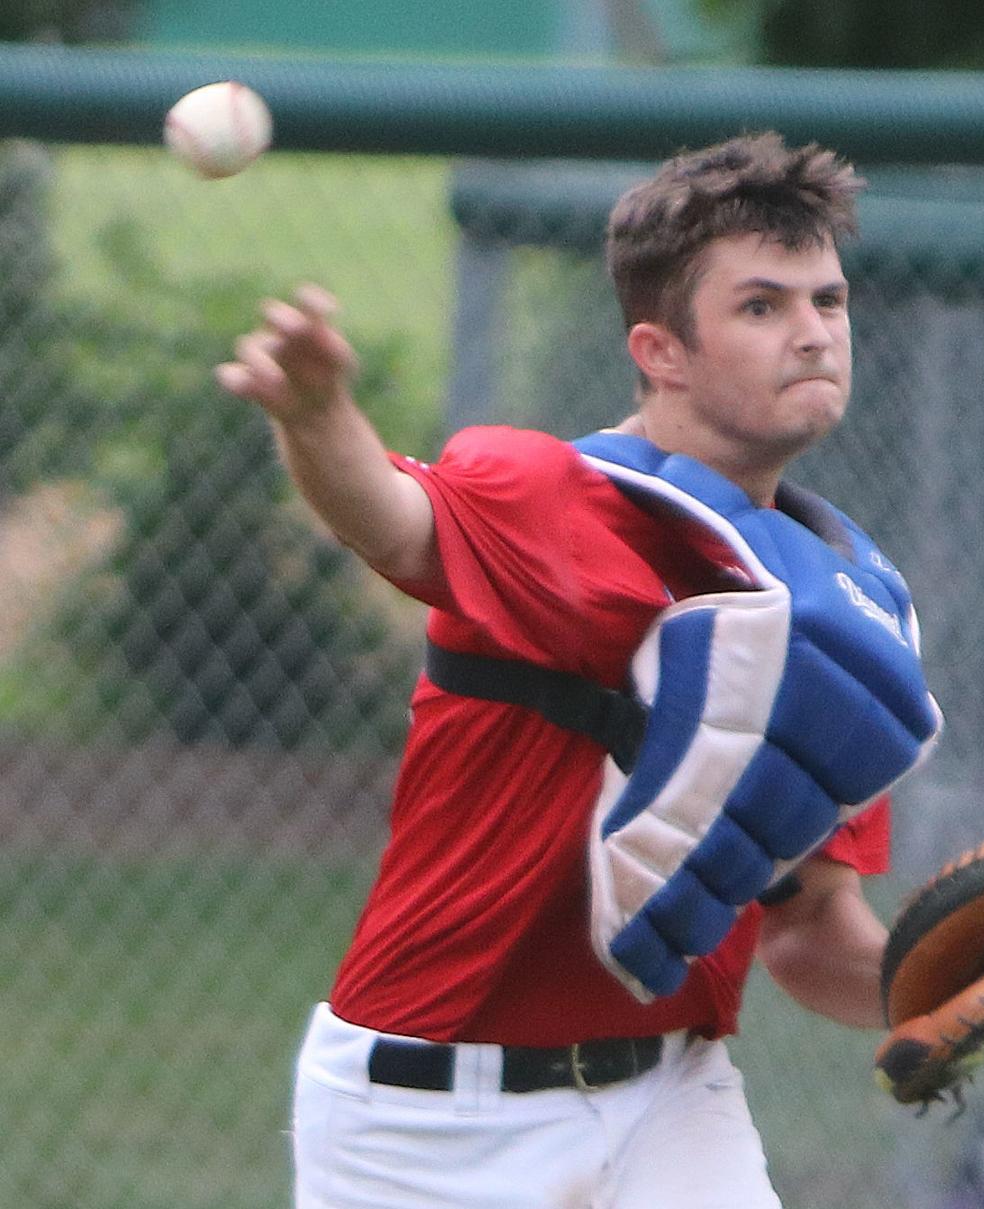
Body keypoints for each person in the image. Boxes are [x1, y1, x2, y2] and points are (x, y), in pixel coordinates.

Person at [216, 131, 939, 1209]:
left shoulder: (842, 607)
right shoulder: (551, 496)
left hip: (670, 1097)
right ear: (661, 352)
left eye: (826, 302)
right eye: (761, 306)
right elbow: (391, 517)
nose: (812, 335)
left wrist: (928, 990)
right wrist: (321, 419)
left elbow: (805, 928)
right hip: (430, 1122)